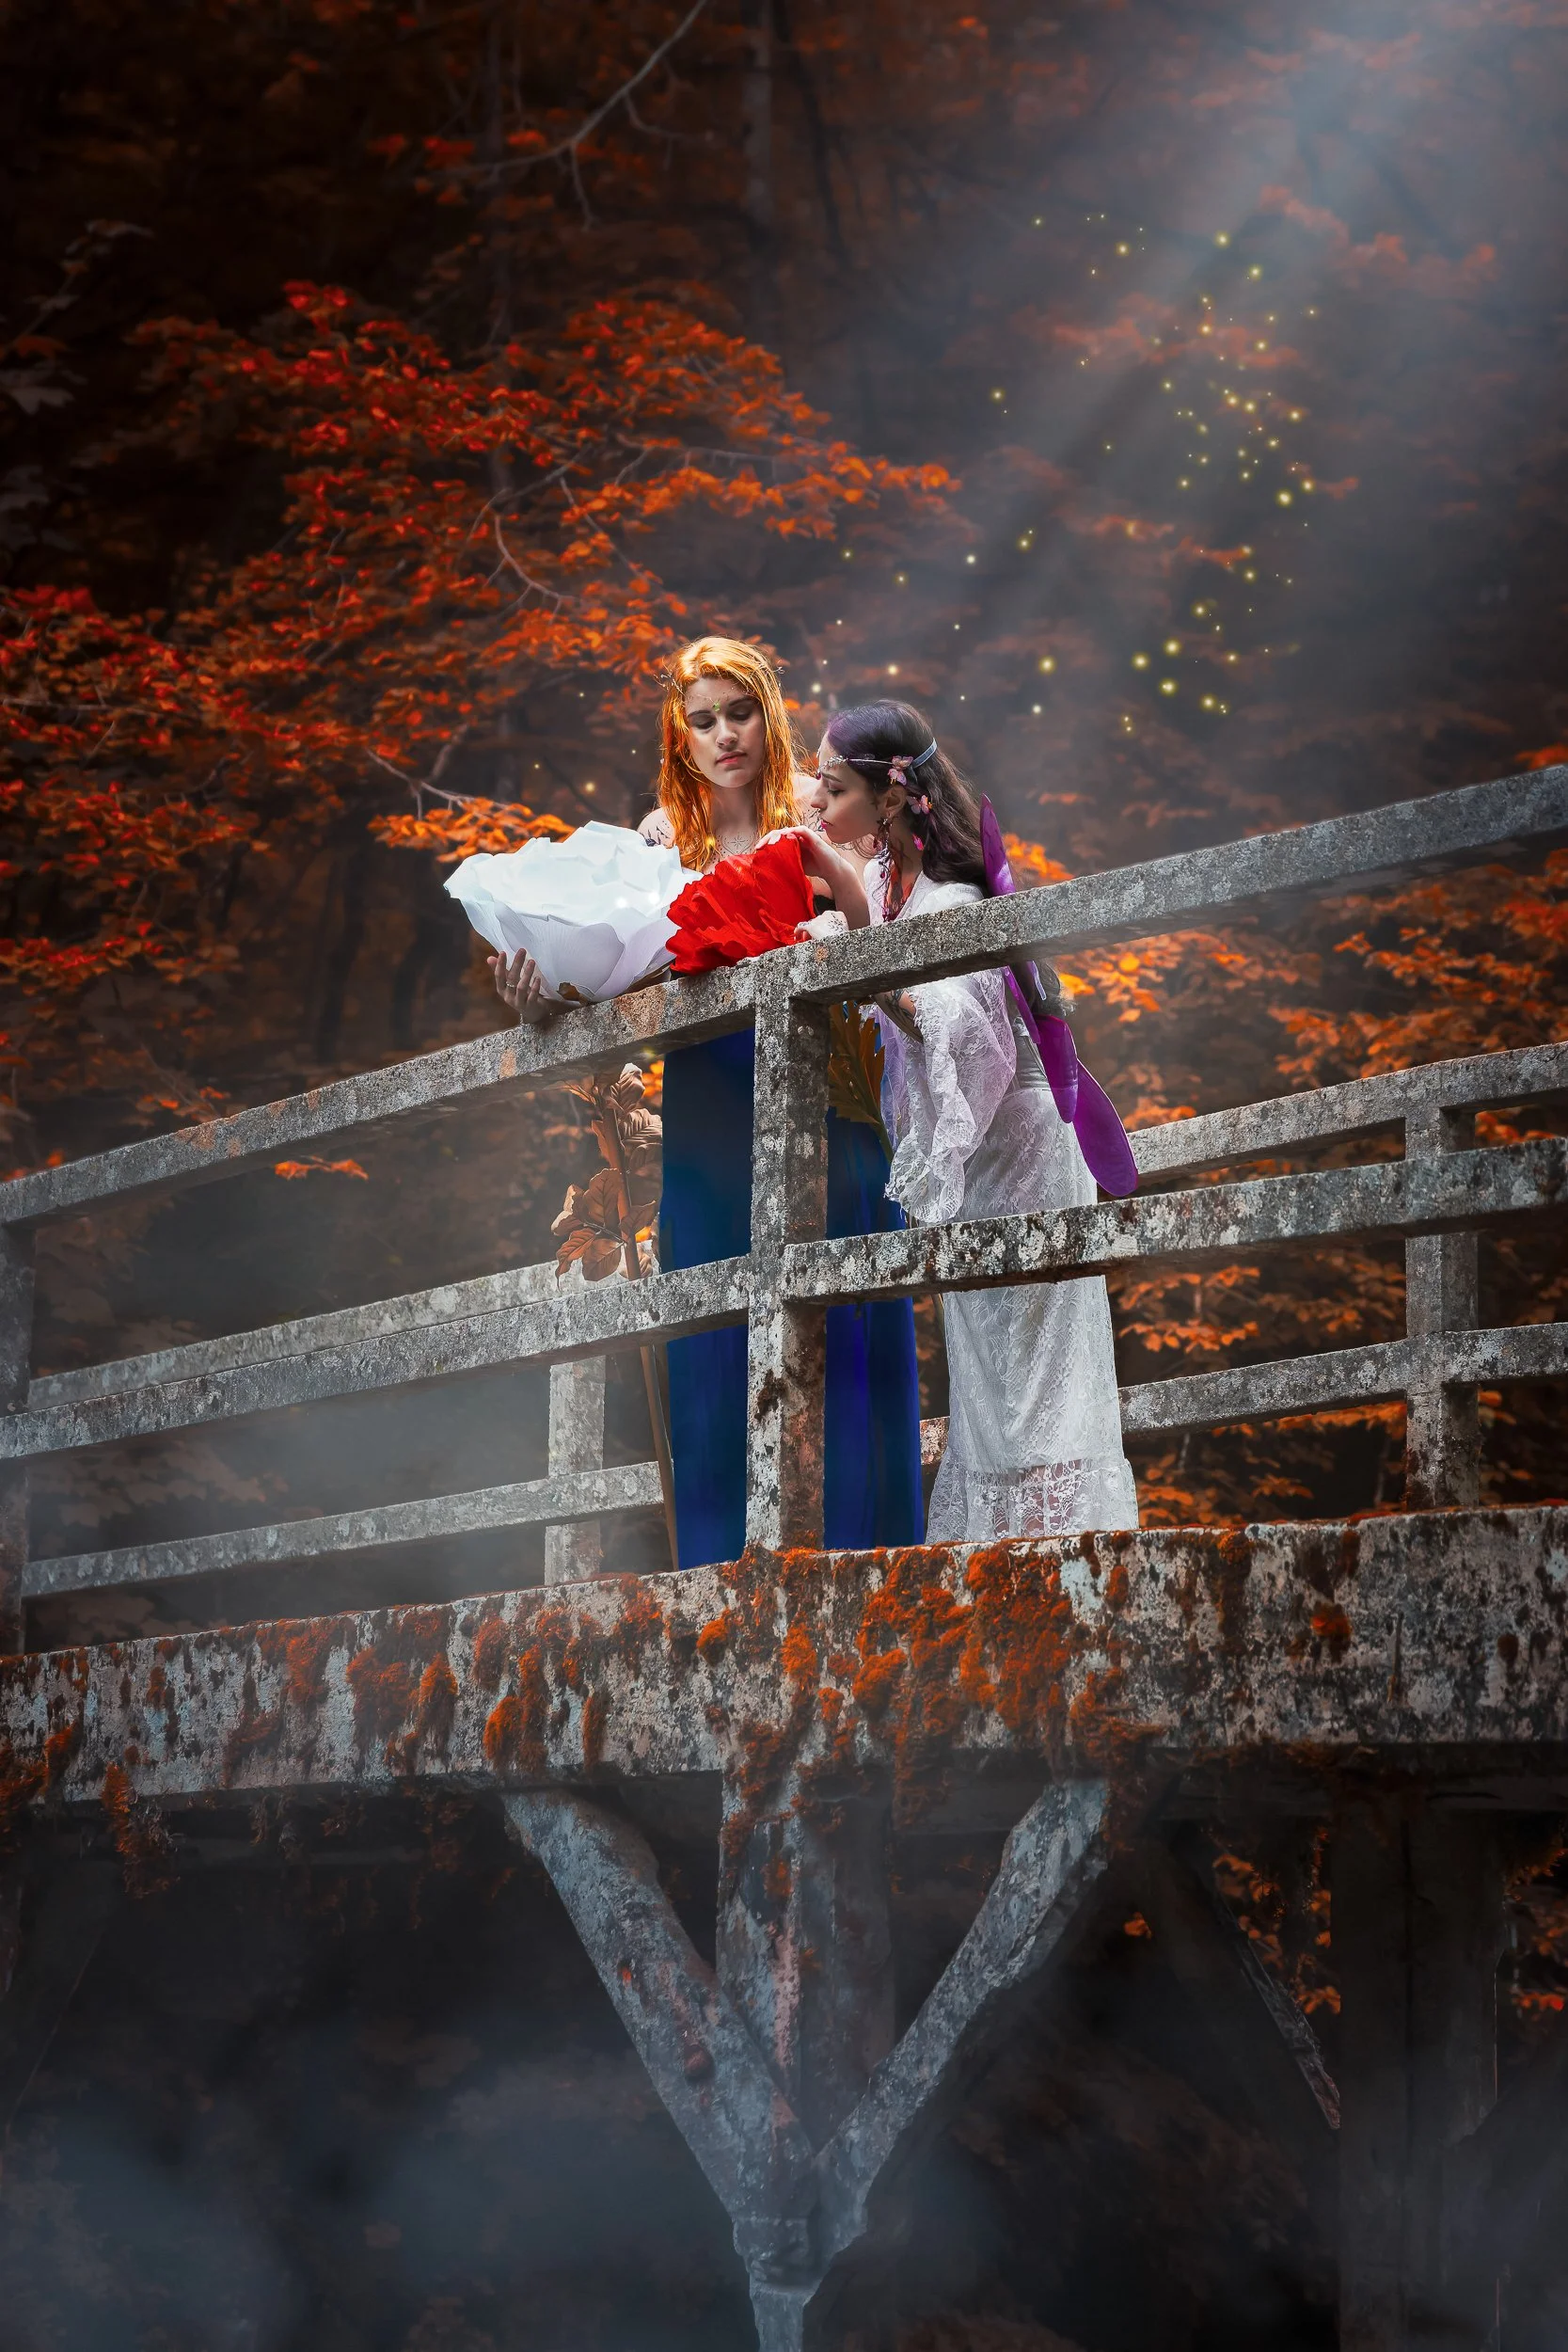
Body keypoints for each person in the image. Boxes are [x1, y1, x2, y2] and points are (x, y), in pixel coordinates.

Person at [497, 635, 922, 1569]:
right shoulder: (659, 842)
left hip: (820, 1099)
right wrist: (540, 1000)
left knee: (839, 1336)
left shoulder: (818, 808)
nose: (723, 734)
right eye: (702, 720)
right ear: (677, 736)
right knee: (713, 1358)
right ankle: (723, 1582)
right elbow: (608, 979)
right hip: (706, 1116)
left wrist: (828, 921)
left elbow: (880, 939)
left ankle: (863, 1571)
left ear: (766, 715)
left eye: (738, 712)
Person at [785, 698, 1138, 1541]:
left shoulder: (951, 901)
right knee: (982, 1365)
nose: (821, 809)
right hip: (971, 1153)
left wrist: (865, 971)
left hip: (1015, 1141)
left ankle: (1058, 1545)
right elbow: (813, 834)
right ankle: (999, 1546)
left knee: (1036, 1368)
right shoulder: (885, 881)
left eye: (835, 792)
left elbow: (967, 1040)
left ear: (891, 796)